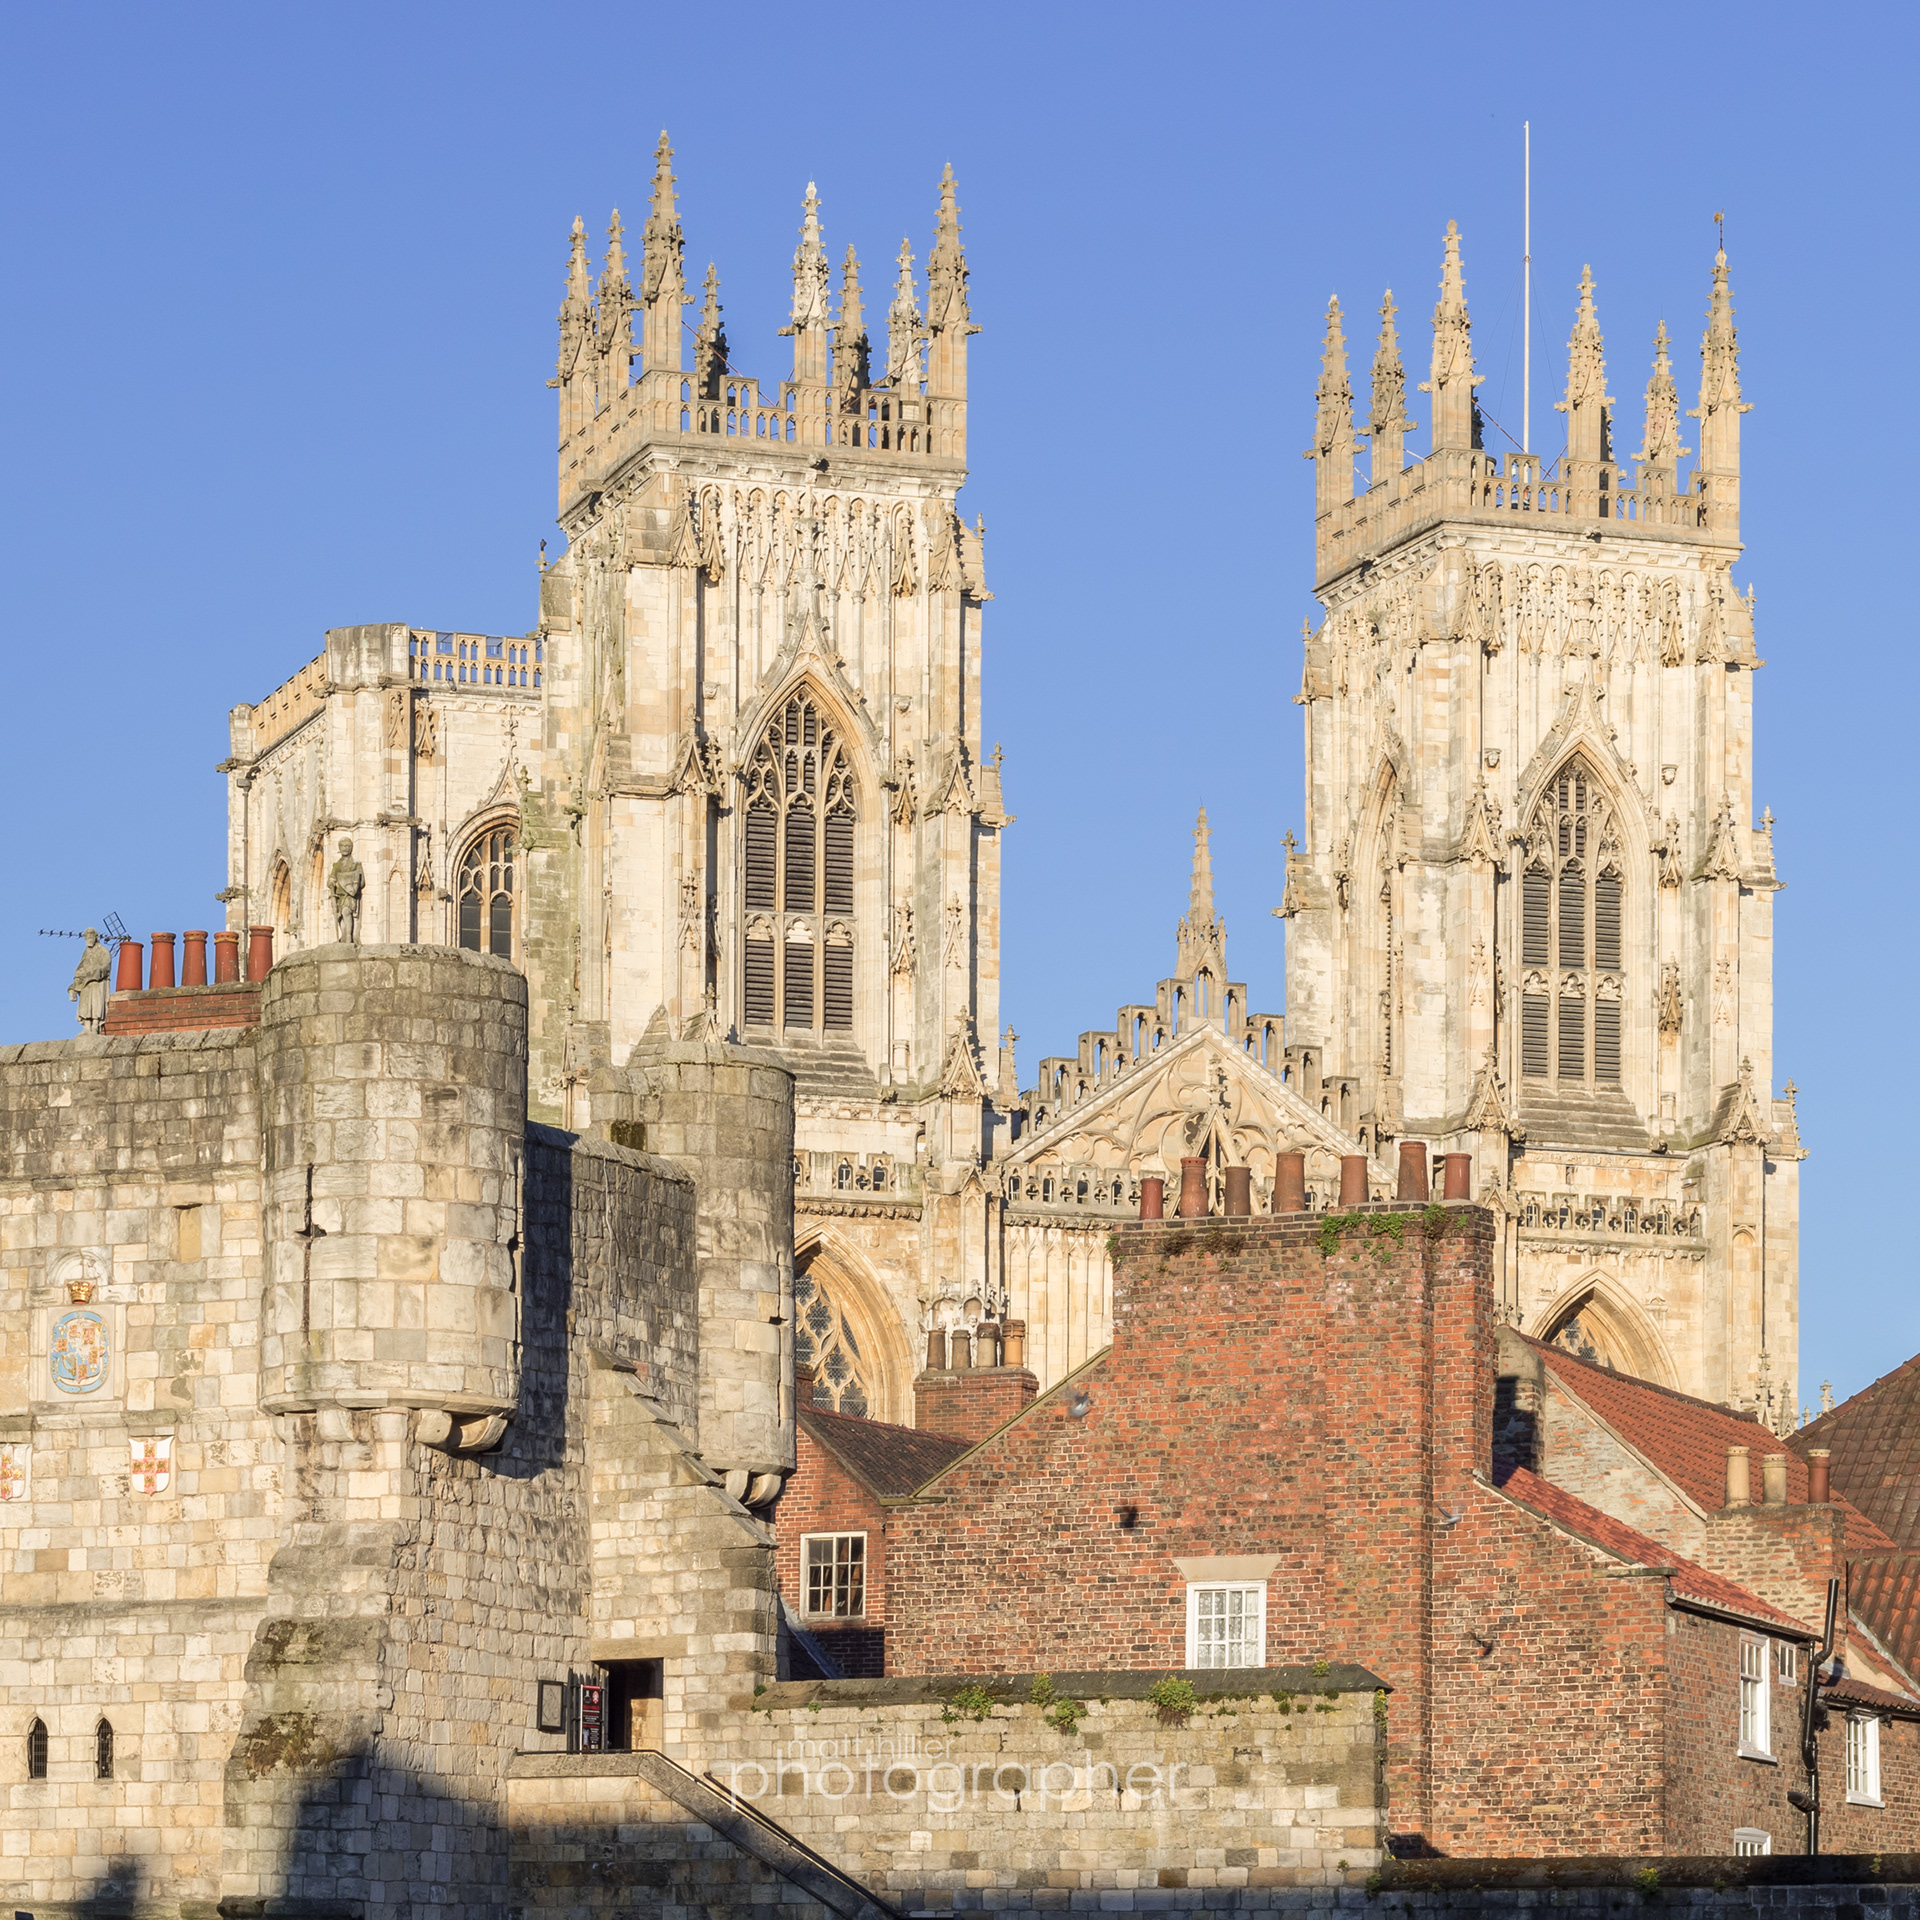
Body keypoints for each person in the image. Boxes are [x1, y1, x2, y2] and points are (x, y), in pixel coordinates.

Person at [68, 927, 111, 1033]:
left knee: (96, 1003)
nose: (89, 938)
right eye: (87, 937)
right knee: (85, 1003)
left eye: (91, 936)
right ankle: (87, 1026)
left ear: (96, 937)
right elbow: (81, 968)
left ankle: (95, 1024)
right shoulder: (86, 953)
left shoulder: (103, 951)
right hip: (86, 984)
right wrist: (78, 979)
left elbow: (106, 966)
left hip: (97, 982)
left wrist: (95, 974)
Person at [329, 838, 365, 944]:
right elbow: (331, 879)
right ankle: (344, 936)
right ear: (339, 848)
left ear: (351, 848)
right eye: (343, 846)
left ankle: (349, 937)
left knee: (346, 912)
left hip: (350, 896)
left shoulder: (356, 864)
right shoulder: (336, 865)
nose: (345, 848)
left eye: (347, 846)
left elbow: (362, 882)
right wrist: (331, 883)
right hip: (339, 895)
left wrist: (355, 885)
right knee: (340, 917)